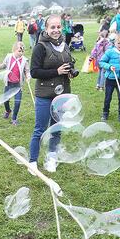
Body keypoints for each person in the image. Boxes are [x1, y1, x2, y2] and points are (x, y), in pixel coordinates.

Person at [29, 14, 74, 173]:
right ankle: (32, 161)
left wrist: (68, 71)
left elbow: (69, 62)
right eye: (52, 27)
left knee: (56, 129)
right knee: (40, 129)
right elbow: (34, 72)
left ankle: (51, 159)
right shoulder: (40, 46)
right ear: (46, 29)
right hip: (44, 94)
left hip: (62, 94)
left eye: (58, 27)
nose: (56, 30)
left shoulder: (64, 44)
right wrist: (57, 71)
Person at [98, 33, 120, 123]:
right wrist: (109, 67)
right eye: (118, 43)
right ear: (114, 42)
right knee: (108, 97)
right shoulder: (110, 51)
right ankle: (105, 113)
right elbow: (101, 62)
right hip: (110, 79)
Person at [0, 41, 30, 125]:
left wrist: (28, 76)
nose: (21, 53)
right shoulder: (8, 57)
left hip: (18, 84)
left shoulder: (25, 60)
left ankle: (14, 118)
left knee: (17, 102)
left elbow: (27, 71)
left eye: (22, 51)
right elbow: (4, 65)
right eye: (19, 51)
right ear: (14, 50)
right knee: (6, 100)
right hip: (9, 83)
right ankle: (8, 111)